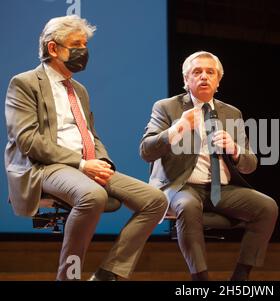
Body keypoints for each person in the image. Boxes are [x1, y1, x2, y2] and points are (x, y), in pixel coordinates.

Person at [4, 15, 168, 281]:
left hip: (86, 163)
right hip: (44, 166)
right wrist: (81, 164)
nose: (83, 51)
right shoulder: (24, 83)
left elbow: (90, 134)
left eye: (85, 44)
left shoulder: (79, 89)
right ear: (53, 48)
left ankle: (109, 273)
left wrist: (102, 162)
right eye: (75, 44)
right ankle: (69, 277)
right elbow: (28, 140)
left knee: (155, 200)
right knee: (93, 196)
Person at [140, 51, 278, 281]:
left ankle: (240, 277)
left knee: (267, 207)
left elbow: (250, 164)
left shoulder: (231, 113)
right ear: (186, 80)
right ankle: (201, 280)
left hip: (221, 189)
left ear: (218, 81)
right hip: (180, 185)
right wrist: (177, 129)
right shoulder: (167, 107)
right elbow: (146, 151)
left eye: (210, 72)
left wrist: (234, 149)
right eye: (197, 72)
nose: (204, 76)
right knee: (188, 205)